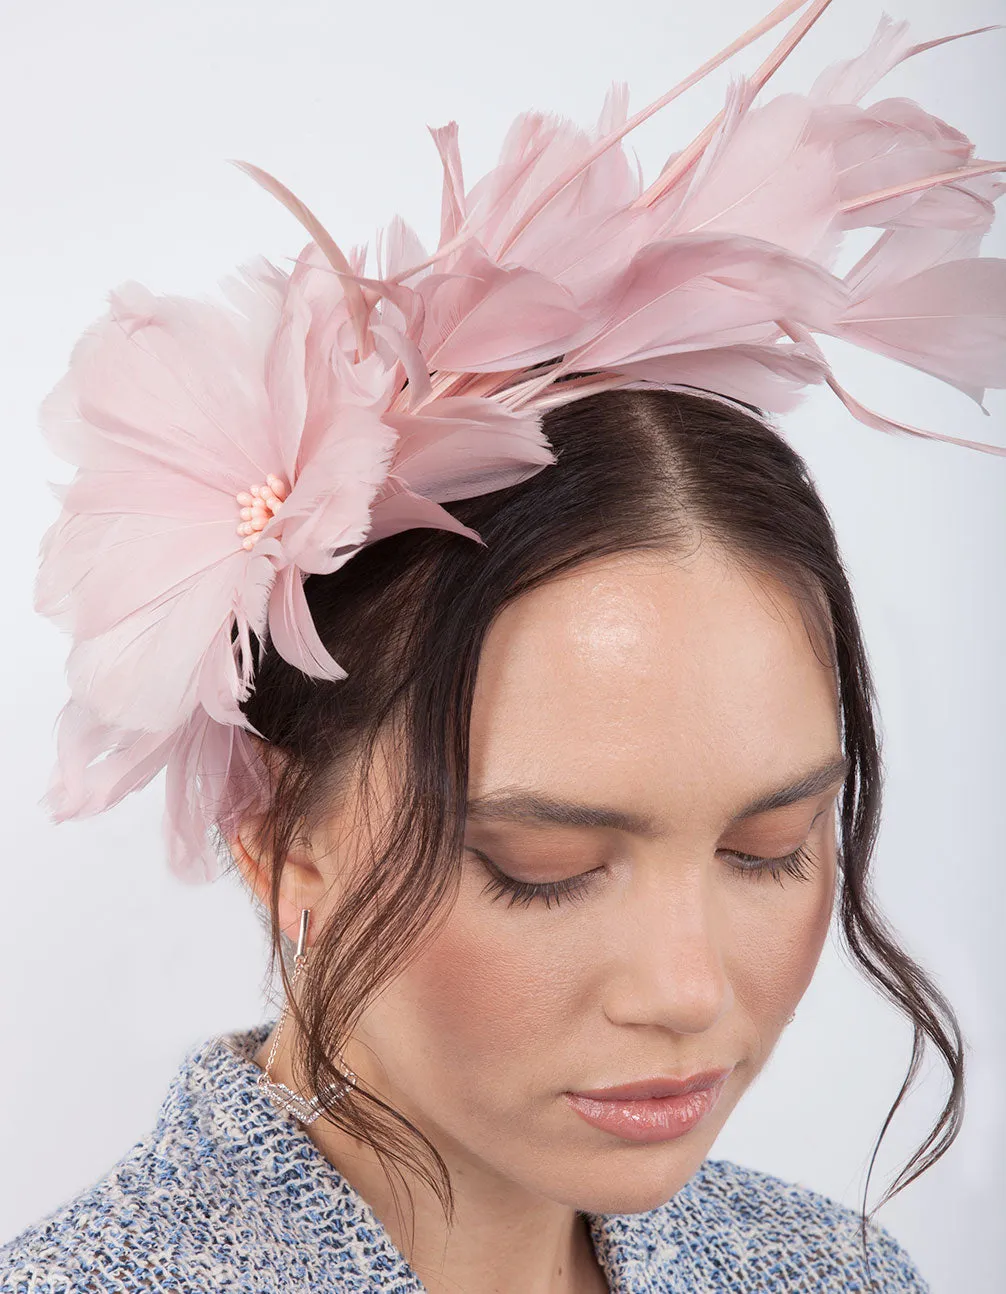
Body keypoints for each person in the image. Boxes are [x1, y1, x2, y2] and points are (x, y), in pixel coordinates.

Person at [2, 2, 1002, 1290]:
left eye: (772, 850)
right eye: (547, 866)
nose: (686, 991)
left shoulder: (830, 1271)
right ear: (279, 837)